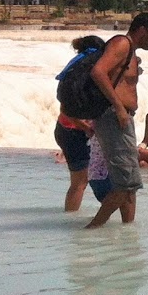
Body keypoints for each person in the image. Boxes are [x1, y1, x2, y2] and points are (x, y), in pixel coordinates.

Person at [84, 13, 148, 229]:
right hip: (114, 117)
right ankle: (91, 230)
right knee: (126, 182)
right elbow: (98, 72)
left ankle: (128, 231)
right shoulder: (121, 44)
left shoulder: (131, 51)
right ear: (142, 30)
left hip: (122, 118)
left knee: (130, 182)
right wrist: (119, 107)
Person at [52, 33, 104, 212]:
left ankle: (71, 215)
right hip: (74, 132)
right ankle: (70, 219)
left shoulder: (74, 69)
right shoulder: (83, 72)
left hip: (66, 130)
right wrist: (86, 128)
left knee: (81, 180)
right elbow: (66, 109)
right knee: (80, 182)